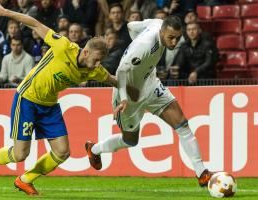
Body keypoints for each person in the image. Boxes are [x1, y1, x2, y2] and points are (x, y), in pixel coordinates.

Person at [0, 0, 117, 196]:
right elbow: (35, 24)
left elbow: (114, 80)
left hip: (49, 106)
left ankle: (25, 179)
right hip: (28, 98)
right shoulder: (63, 46)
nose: (98, 64)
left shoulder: (94, 71)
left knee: (63, 152)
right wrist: (5, 12)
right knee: (20, 154)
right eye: (96, 59)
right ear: (87, 51)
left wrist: (141, 85)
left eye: (100, 61)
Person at [85, 16, 213, 187]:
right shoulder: (142, 48)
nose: (174, 42)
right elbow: (121, 73)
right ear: (162, 32)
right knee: (131, 141)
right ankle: (94, 150)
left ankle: (201, 173)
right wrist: (124, 99)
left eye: (177, 37)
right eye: (170, 38)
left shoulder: (157, 23)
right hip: (128, 94)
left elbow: (130, 25)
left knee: (182, 125)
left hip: (150, 83)